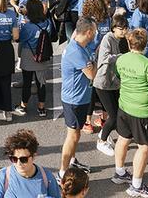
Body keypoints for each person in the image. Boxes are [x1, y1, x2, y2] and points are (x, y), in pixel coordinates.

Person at [111, 27, 148, 198]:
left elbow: (118, 75)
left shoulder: (121, 60)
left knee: (123, 139)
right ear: (146, 44)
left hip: (124, 106)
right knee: (144, 147)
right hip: (142, 112)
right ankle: (136, 186)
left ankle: (119, 173)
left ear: (128, 43)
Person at [59, 17, 96, 180]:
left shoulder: (78, 43)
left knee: (77, 134)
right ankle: (62, 171)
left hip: (80, 98)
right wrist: (93, 63)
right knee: (72, 135)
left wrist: (91, 63)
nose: (95, 35)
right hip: (74, 100)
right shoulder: (76, 52)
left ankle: (72, 161)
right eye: (94, 32)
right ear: (88, 32)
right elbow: (92, 74)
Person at [0, 129, 61, 198]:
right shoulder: (1, 179)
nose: (18, 163)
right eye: (13, 159)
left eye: (23, 159)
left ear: (33, 156)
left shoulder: (47, 178)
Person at [93, 9, 129, 157]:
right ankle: (101, 141)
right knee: (113, 116)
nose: (124, 31)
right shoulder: (108, 38)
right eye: (121, 29)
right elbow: (105, 58)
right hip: (103, 82)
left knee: (119, 113)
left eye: (125, 28)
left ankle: (105, 133)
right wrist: (123, 57)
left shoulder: (123, 40)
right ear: (113, 28)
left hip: (115, 82)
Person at [14, 0, 51, 118]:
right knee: (41, 82)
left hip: (28, 54)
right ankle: (41, 107)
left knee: (27, 82)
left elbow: (21, 39)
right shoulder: (47, 23)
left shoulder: (27, 26)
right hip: (43, 53)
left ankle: (23, 106)